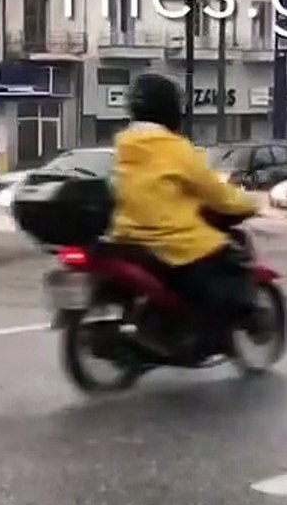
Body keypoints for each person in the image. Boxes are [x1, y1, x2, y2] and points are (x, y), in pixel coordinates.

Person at [108, 73, 259, 359]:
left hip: (128, 238)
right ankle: (207, 338)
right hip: (173, 243)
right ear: (170, 108)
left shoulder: (124, 145)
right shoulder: (177, 149)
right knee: (227, 260)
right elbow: (216, 193)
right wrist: (248, 204)